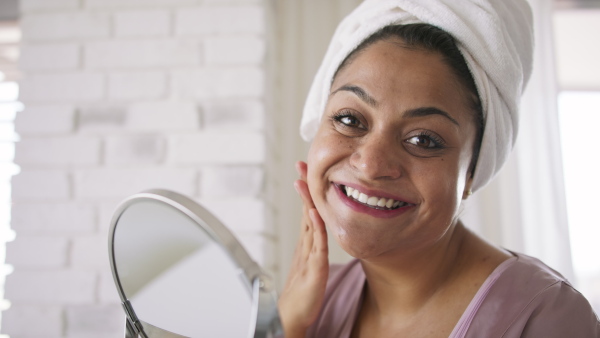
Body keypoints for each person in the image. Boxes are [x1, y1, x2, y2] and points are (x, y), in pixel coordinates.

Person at [278, 0, 600, 337]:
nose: (371, 165)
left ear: (472, 171)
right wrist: (285, 326)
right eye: (350, 120)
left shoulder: (545, 318)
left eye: (424, 140)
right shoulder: (314, 301)